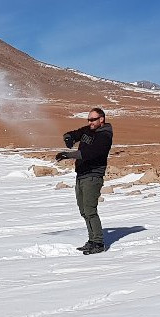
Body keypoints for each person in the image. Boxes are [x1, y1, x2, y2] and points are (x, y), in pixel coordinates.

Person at [56, 107, 114, 254]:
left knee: (90, 210)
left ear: (101, 119)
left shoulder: (105, 136)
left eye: (93, 119)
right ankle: (92, 240)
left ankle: (98, 243)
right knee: (83, 210)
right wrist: (68, 138)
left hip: (93, 176)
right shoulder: (88, 130)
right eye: (88, 119)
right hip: (81, 175)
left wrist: (68, 155)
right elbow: (74, 134)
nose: (90, 122)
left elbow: (89, 153)